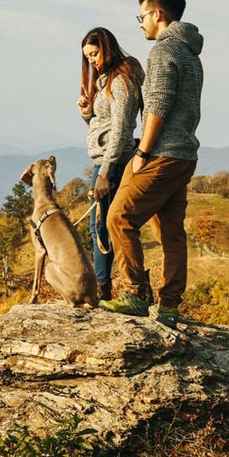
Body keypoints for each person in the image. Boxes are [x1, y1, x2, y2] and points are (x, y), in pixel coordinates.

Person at [101, 0, 204, 324]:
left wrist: (143, 151)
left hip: (161, 153)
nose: (141, 23)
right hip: (185, 155)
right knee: (171, 232)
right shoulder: (191, 54)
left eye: (142, 16)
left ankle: (134, 294)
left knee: (118, 217)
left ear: (158, 15)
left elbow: (158, 104)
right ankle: (170, 306)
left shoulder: (163, 51)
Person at [76, 27, 142, 301]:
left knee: (101, 227)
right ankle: (108, 286)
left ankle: (105, 289)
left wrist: (104, 173)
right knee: (102, 226)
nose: (91, 60)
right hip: (106, 160)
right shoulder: (106, 81)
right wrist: (87, 114)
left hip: (112, 162)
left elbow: (121, 130)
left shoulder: (121, 81)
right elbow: (103, 125)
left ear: (107, 48)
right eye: (87, 56)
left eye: (94, 53)